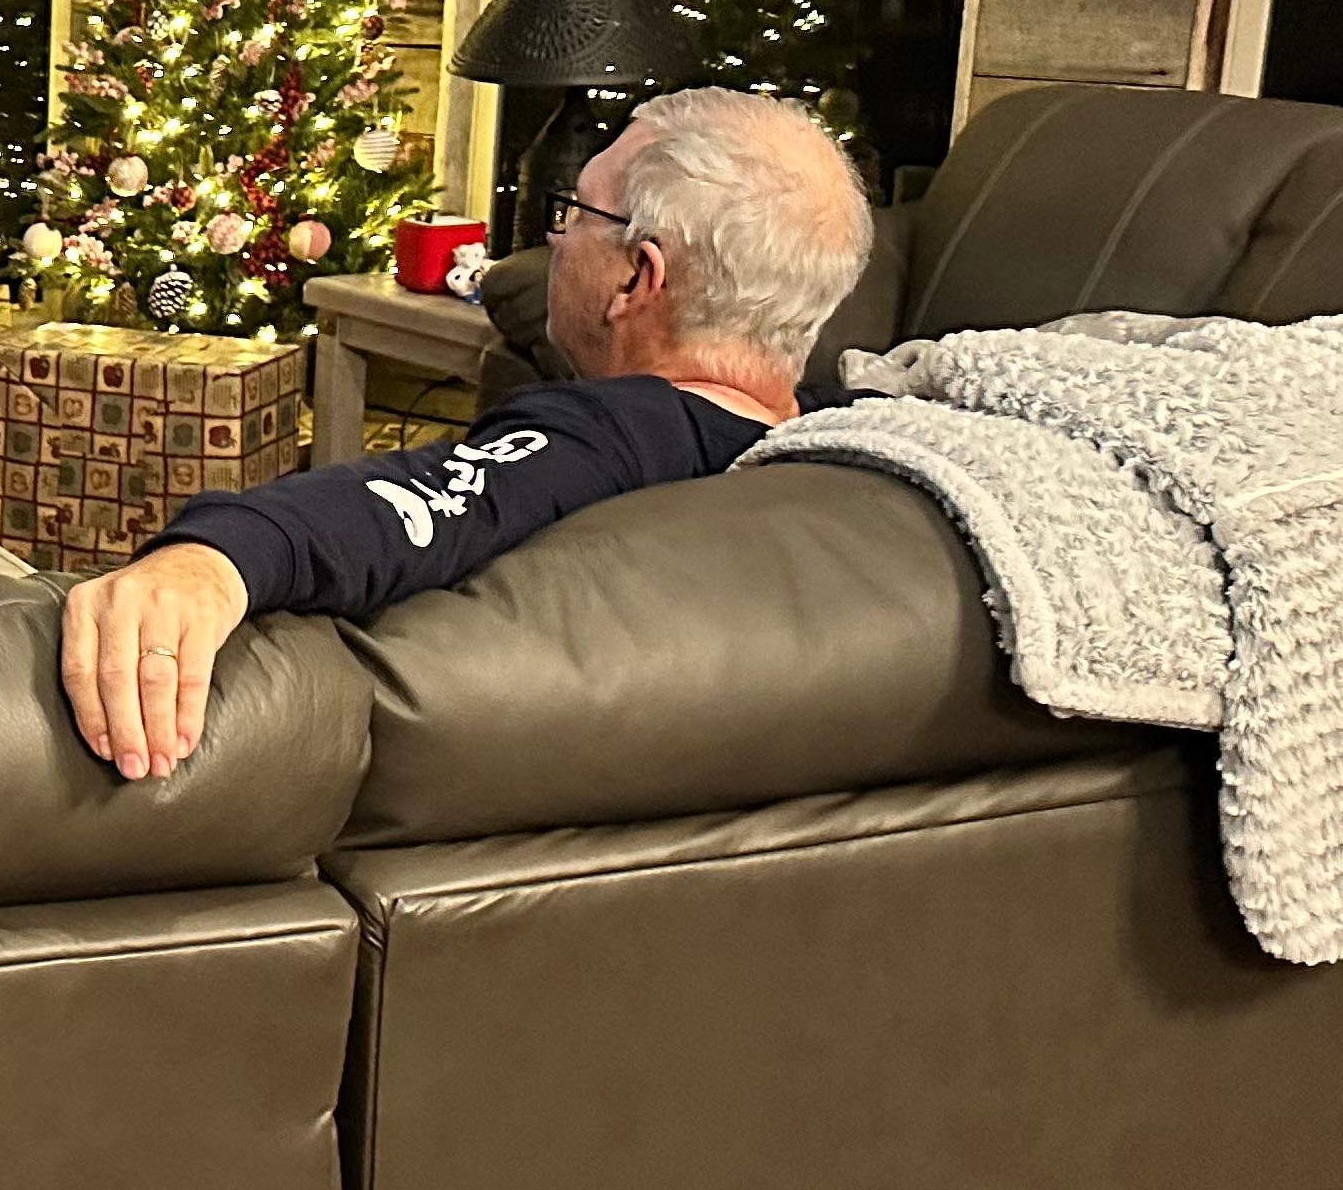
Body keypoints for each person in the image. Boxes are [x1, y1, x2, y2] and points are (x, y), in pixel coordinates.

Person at [60, 86, 875, 782]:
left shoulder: (616, 437)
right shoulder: (846, 450)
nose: (554, 239)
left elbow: (424, 503)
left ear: (638, 276)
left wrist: (214, 559)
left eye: (576, 213)